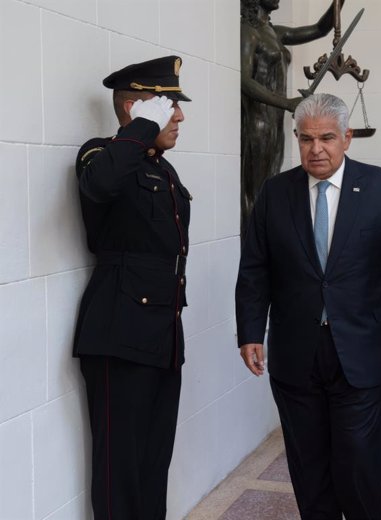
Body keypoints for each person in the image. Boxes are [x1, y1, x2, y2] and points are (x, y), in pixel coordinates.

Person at [235, 93, 381, 520]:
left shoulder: (380, 186)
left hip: (362, 347)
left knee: (359, 460)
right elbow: (255, 268)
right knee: (308, 462)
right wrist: (250, 331)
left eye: (326, 138)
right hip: (296, 350)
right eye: (305, 139)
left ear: (347, 138)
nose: (315, 149)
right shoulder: (275, 192)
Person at [74, 56, 192, 520]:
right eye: (170, 107)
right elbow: (101, 184)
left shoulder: (161, 168)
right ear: (136, 109)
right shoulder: (100, 154)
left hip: (161, 334)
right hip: (119, 334)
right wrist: (142, 127)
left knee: (152, 462)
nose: (179, 117)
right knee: (118, 467)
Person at [241, 0, 343, 235]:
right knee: (255, 191)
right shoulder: (247, 31)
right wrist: (287, 103)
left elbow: (320, 29)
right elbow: (244, 80)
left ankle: (266, 246)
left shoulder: (274, 32)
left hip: (274, 122)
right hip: (257, 122)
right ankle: (253, 249)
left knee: (268, 186)